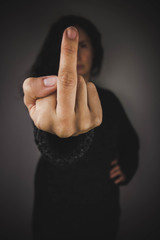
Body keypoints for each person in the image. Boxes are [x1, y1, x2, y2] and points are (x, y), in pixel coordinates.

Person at [23, 15, 139, 240]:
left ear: (95, 52)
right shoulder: (46, 99)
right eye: (68, 47)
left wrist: (128, 165)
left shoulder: (111, 101)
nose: (75, 53)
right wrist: (62, 141)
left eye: (83, 45)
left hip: (101, 206)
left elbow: (129, 140)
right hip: (53, 205)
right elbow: (52, 145)